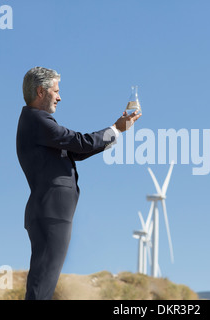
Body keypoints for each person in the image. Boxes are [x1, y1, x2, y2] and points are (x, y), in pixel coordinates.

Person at [16, 67, 141, 300]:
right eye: (56, 91)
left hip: (50, 212)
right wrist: (115, 129)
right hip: (51, 212)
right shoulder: (37, 120)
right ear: (41, 91)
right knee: (42, 283)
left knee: (44, 281)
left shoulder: (37, 125)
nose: (60, 97)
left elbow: (77, 150)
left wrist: (116, 132)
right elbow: (79, 142)